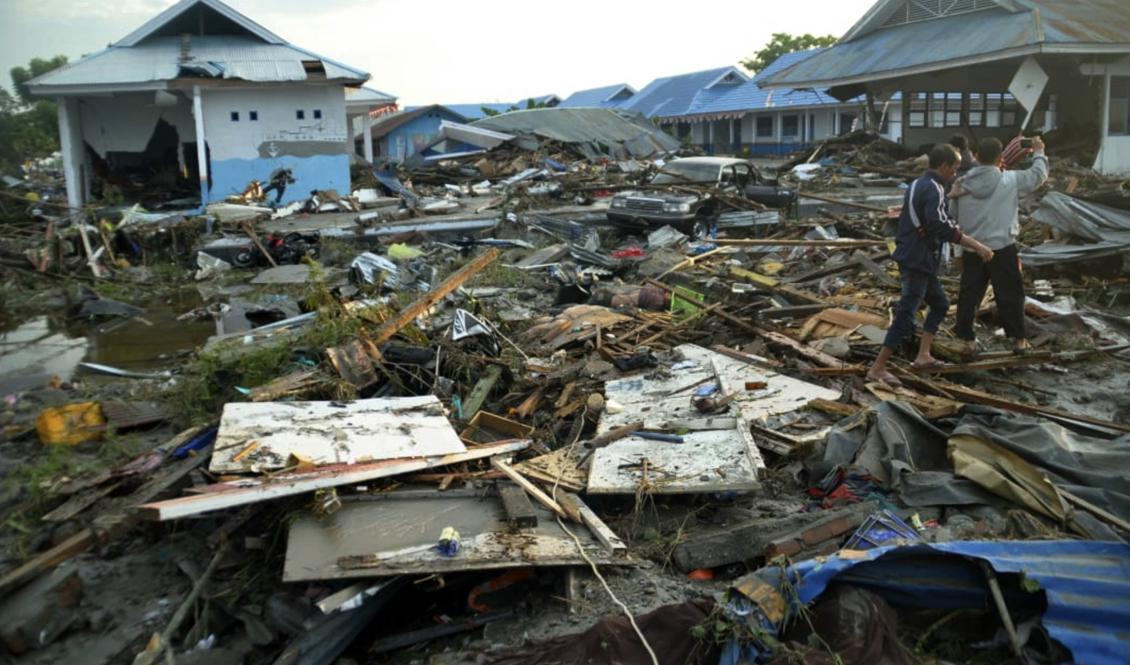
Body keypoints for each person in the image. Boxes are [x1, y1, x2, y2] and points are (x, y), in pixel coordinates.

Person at [866, 144, 995, 387]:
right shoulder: (934, 189)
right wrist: (977, 246)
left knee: (940, 303)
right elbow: (942, 227)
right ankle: (878, 368)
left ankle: (923, 355)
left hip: (914, 256)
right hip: (919, 259)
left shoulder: (917, 184)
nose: (955, 174)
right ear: (944, 166)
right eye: (955, 169)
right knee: (906, 313)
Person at [950, 136, 1048, 356]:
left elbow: (953, 217)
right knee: (1010, 294)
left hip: (972, 247)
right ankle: (1018, 340)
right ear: (1000, 158)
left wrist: (958, 250)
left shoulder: (961, 183)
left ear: (975, 156)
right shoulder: (1010, 180)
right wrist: (1039, 151)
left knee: (970, 294)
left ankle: (966, 339)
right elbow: (1038, 176)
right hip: (1002, 247)